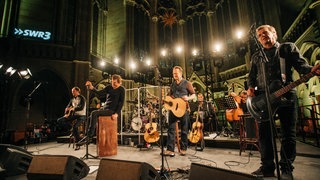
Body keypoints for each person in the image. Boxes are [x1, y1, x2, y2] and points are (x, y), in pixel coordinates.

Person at [247, 24, 320, 179]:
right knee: (265, 135)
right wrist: (250, 88)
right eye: (259, 35)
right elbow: (251, 77)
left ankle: (286, 169)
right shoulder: (256, 57)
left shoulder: (287, 49)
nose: (262, 36)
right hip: (264, 99)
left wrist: (311, 70)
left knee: (288, 134)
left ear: (275, 34)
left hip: (287, 96)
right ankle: (267, 167)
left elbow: (302, 66)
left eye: (265, 33)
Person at [77, 74, 125, 146]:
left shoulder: (121, 89)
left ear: (119, 82)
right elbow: (100, 93)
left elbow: (121, 103)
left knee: (94, 113)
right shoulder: (109, 87)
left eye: (115, 82)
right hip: (105, 108)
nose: (113, 84)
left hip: (112, 110)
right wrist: (92, 88)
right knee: (90, 116)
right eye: (112, 82)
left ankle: (89, 137)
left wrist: (116, 113)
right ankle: (87, 135)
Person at [163, 66, 196, 157]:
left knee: (185, 130)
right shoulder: (172, 85)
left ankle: (183, 149)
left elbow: (194, 95)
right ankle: (170, 149)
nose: (174, 75)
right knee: (171, 129)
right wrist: (165, 101)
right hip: (174, 110)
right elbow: (170, 97)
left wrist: (188, 98)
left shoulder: (187, 83)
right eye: (173, 74)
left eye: (176, 73)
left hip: (183, 109)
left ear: (181, 73)